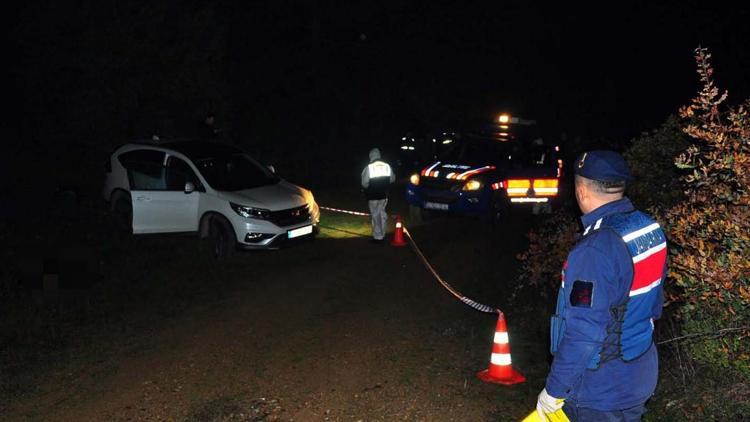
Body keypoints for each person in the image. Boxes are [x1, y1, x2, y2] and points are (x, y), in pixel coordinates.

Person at [536, 150, 667, 421]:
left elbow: (584, 332)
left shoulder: (595, 250)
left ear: (581, 191)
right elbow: (654, 305)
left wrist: (553, 390)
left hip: (600, 390)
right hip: (638, 371)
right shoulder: (648, 228)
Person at [361, 148, 396, 242]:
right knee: (382, 213)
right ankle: (383, 234)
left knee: (375, 215)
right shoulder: (387, 166)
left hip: (372, 196)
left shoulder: (369, 167)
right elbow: (392, 179)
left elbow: (364, 183)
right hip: (384, 195)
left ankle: (378, 237)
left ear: (371, 156)